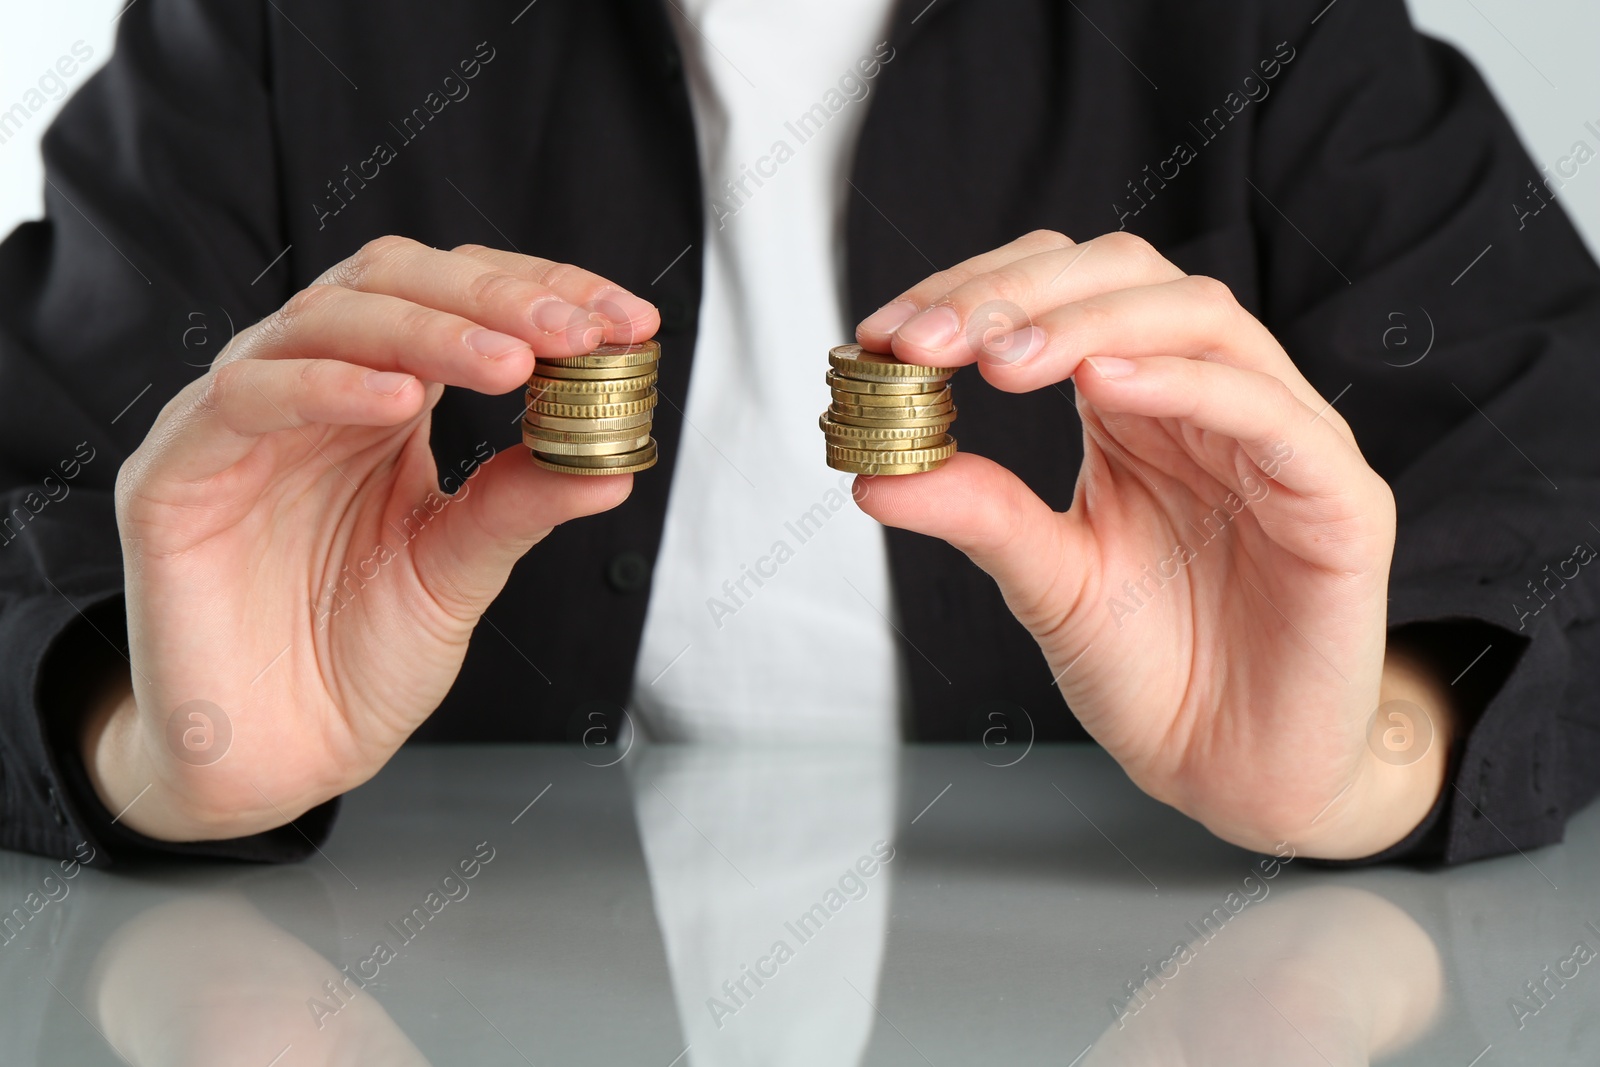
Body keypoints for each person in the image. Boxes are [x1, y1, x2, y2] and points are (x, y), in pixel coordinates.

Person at [1, 0, 1596, 867]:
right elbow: (34, 496)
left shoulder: (1273, 31)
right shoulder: (267, 35)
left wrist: (1368, 753)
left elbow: (1562, 489)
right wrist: (155, 744)